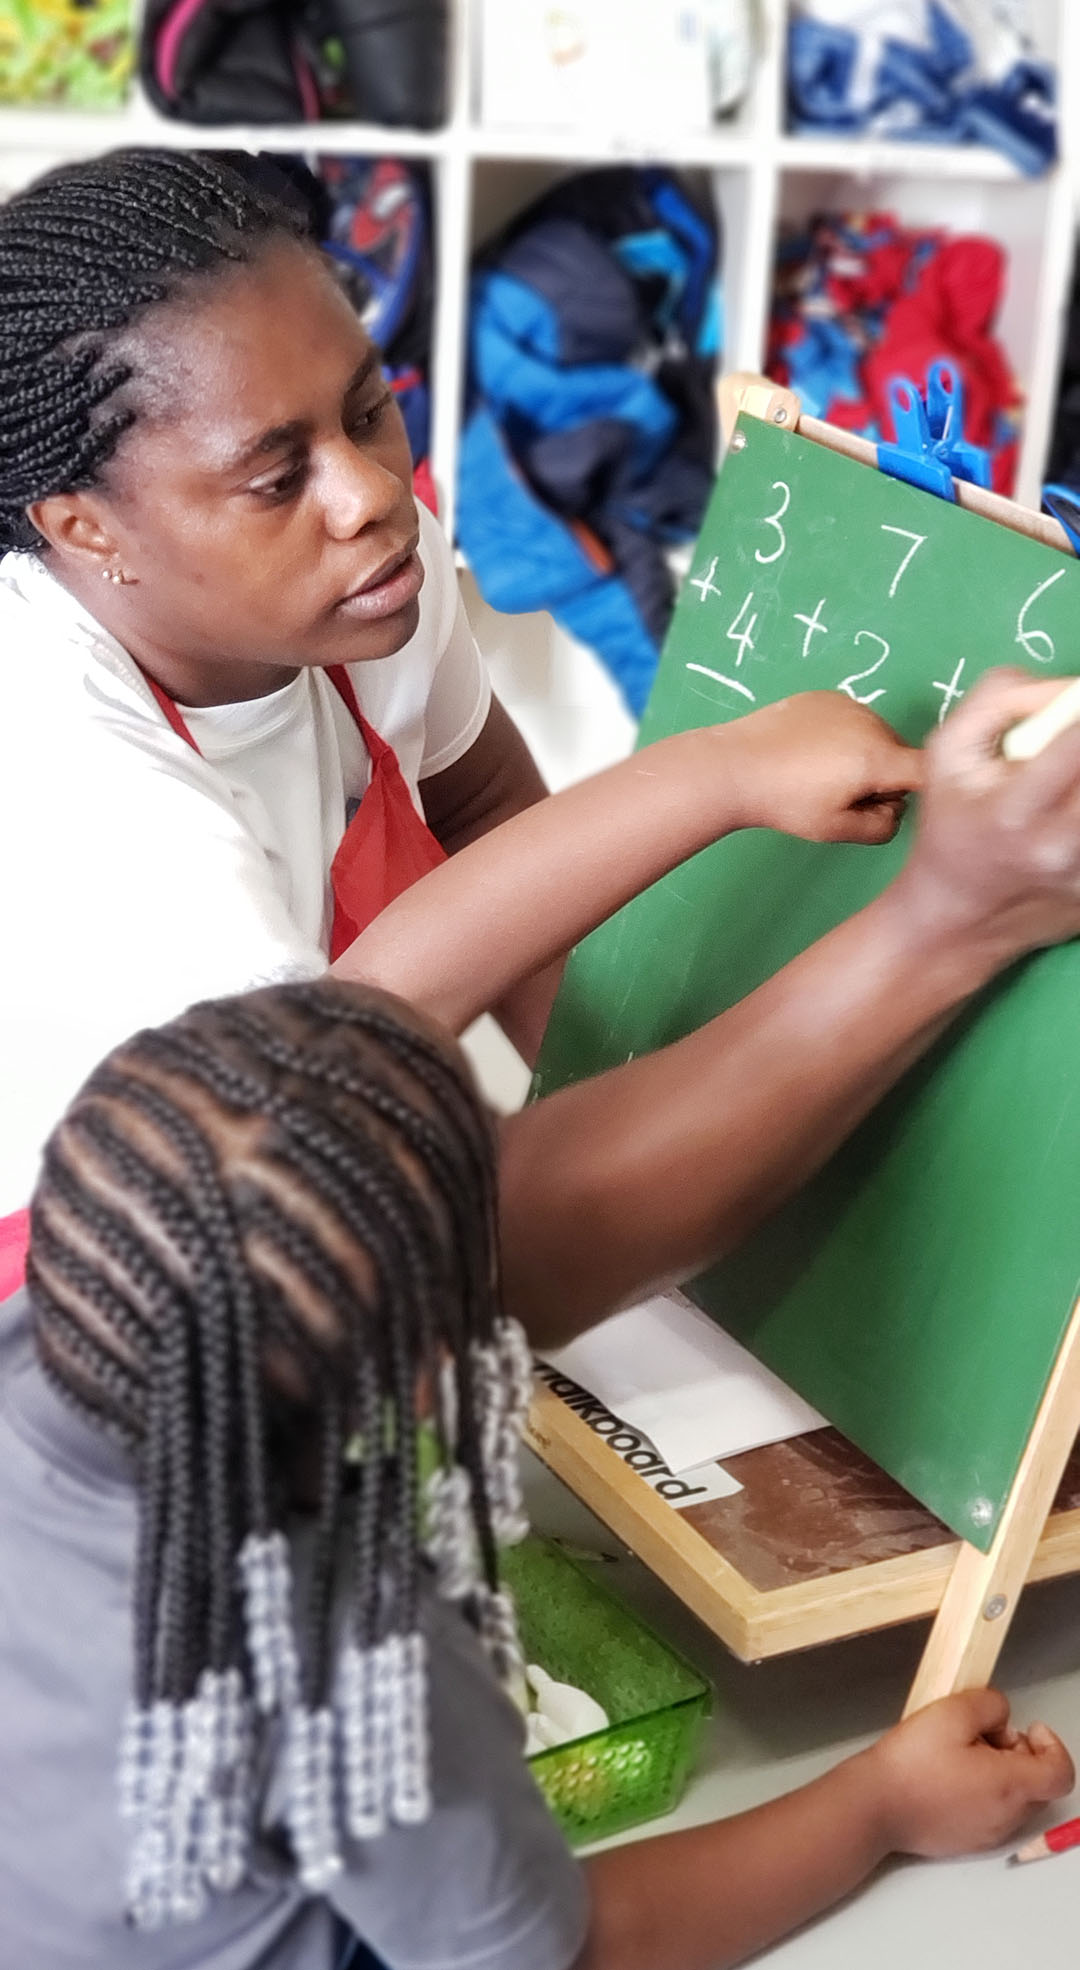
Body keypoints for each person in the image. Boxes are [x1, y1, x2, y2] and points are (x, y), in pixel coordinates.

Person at [1, 977, 1071, 1970]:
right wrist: (879, 1805)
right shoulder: (343, 1647)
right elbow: (562, 1953)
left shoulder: (58, 1331)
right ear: (432, 1380)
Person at [0, 144, 921, 1287]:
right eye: (278, 480)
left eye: (368, 410)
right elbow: (301, 1082)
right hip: (98, 1294)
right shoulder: (62, 765)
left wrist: (645, 1104)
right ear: (84, 528)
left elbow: (481, 806)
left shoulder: (368, 578)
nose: (371, 493)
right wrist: (722, 779)